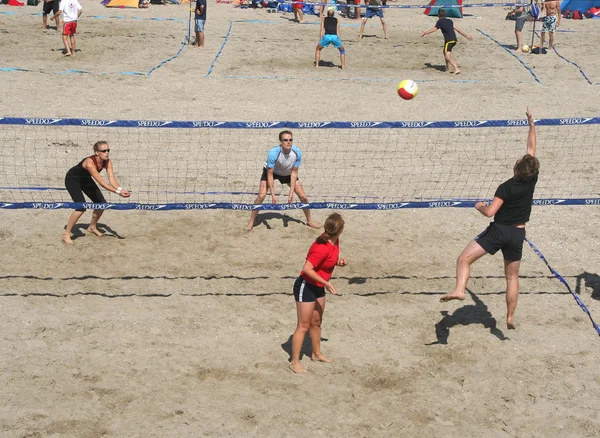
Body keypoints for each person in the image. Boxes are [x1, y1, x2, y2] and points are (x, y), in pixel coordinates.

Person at [440, 107, 540, 330]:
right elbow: (531, 149)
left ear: (516, 168)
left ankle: (459, 289)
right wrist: (532, 125)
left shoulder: (506, 187)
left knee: (464, 259)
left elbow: (491, 212)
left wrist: (480, 206)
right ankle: (510, 317)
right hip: (518, 233)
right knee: (512, 279)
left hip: (499, 231)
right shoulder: (531, 179)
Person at [289, 213, 347, 374]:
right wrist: (326, 282)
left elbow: (327, 260)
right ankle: (294, 362)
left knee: (316, 322)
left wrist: (338, 263)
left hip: (318, 286)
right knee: (303, 326)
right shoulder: (322, 247)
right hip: (305, 286)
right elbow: (307, 269)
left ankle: (316, 354)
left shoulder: (333, 241)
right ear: (341, 229)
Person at [247, 131, 320, 231]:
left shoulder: (297, 152)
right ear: (280, 141)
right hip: (272, 172)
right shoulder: (273, 153)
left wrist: (291, 194)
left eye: (290, 140)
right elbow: (270, 174)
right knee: (261, 195)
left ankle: (309, 220)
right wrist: (273, 196)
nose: (288, 142)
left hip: (288, 173)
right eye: (285, 140)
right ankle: (251, 222)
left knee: (303, 196)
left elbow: (294, 173)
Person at [63, 141, 130, 245]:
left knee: (101, 203)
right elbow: (102, 183)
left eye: (108, 150)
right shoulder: (89, 162)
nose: (107, 152)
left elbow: (112, 180)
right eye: (104, 151)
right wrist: (118, 192)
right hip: (72, 179)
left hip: (85, 180)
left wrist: (121, 189)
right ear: (97, 152)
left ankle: (92, 227)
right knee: (81, 206)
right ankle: (66, 234)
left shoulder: (107, 162)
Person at [421, 9, 473, 75]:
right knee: (445, 52)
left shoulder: (439, 22)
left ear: (438, 15)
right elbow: (458, 30)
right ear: (445, 15)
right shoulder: (450, 21)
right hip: (453, 39)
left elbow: (434, 29)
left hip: (449, 40)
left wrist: (425, 32)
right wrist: (466, 36)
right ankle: (448, 67)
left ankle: (456, 69)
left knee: (447, 56)